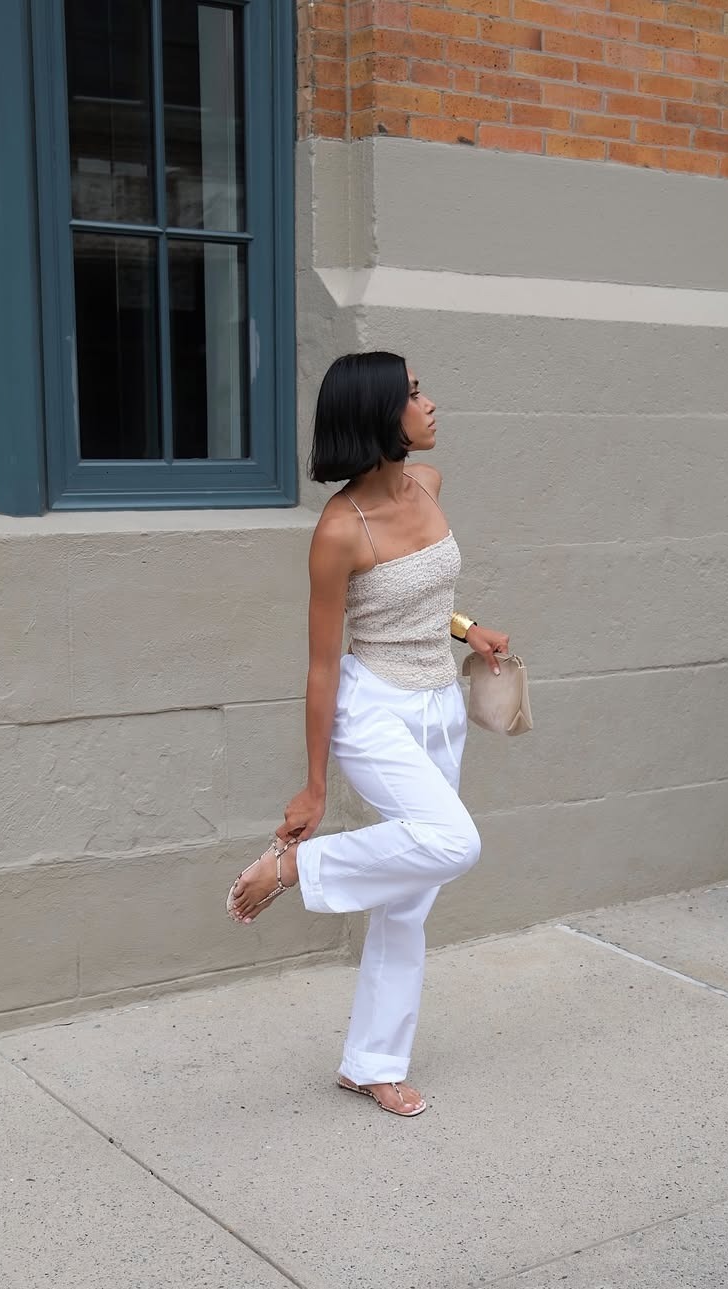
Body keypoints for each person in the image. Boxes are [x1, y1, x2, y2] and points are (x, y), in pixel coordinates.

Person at [226, 352, 510, 1117]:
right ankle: (293, 871)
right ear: (381, 415)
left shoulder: (431, 485)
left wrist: (465, 626)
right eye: (414, 393)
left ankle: (371, 1063)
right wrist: (314, 784)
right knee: (454, 842)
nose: (430, 403)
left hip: (440, 704)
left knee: (410, 895)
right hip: (372, 708)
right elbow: (322, 665)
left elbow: (421, 594)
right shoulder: (338, 531)